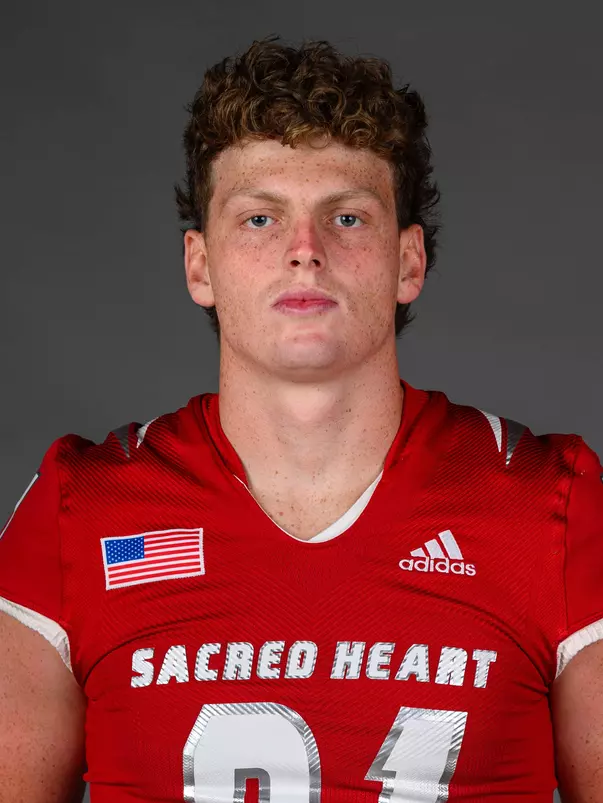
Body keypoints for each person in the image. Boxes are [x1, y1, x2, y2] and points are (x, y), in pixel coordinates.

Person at [0, 34, 601, 803]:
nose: (304, 251)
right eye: (259, 218)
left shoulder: (549, 503)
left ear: (408, 261)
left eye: (346, 217)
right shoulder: (80, 508)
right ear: (199, 265)